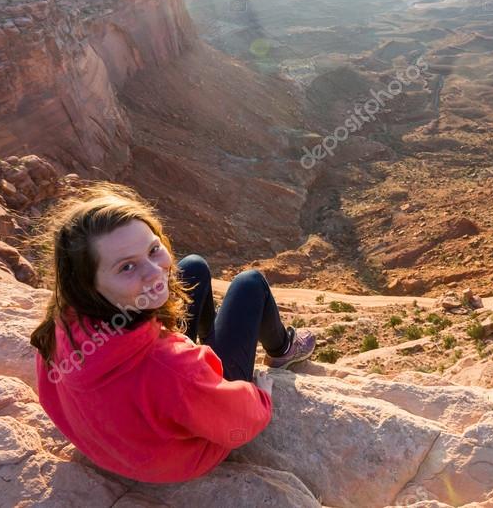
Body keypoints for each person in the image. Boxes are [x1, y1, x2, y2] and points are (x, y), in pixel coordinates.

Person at [30, 182, 316, 483]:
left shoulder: (60, 321)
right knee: (249, 284)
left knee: (193, 267)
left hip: (113, 440)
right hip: (178, 459)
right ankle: (283, 349)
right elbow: (240, 425)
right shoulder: (174, 369)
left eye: (154, 249)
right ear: (88, 284)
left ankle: (212, 338)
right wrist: (261, 398)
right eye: (127, 267)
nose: (155, 271)